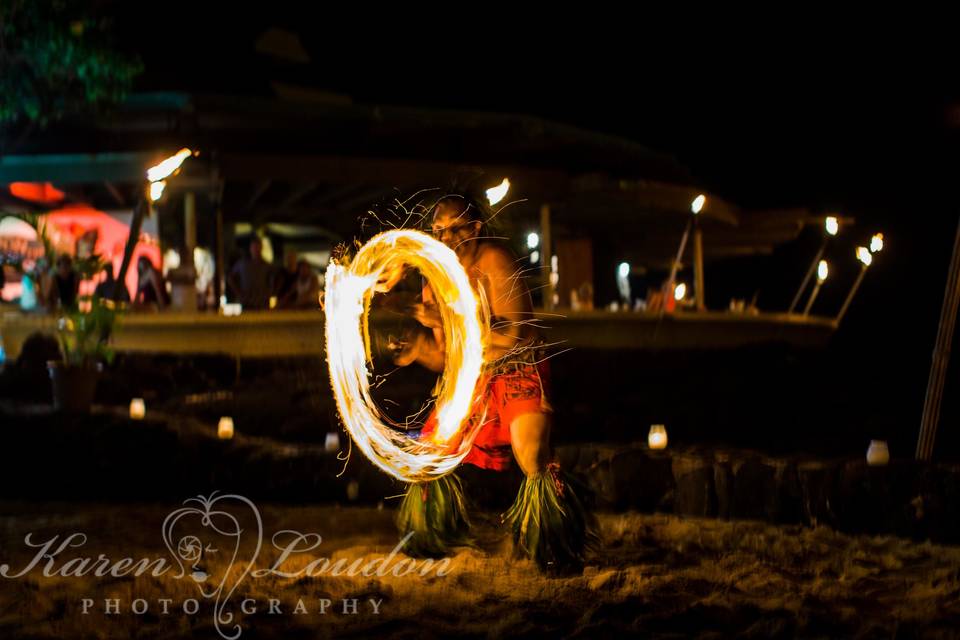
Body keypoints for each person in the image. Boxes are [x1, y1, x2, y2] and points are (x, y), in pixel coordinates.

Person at [389, 189, 597, 572]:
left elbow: (512, 334)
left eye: (454, 230)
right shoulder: (434, 280)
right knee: (429, 455)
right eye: (438, 232)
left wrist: (453, 322)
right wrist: (418, 349)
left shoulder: (495, 261)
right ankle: (432, 541)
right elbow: (446, 358)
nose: (446, 239)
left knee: (530, 453)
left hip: (517, 366)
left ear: (476, 228)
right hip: (473, 376)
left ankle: (554, 544)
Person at [228, 237, 273, 310]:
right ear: (250, 248)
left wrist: (268, 293)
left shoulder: (267, 266)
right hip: (247, 303)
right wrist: (239, 294)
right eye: (254, 247)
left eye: (258, 247)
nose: (256, 249)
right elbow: (230, 278)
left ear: (261, 248)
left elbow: (275, 280)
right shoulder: (243, 264)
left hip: (262, 303)